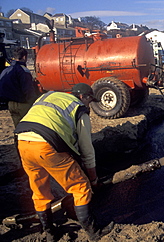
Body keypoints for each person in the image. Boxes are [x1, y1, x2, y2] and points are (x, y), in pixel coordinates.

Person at [14, 83, 113, 241]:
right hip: (46, 144)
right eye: (89, 100)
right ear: (82, 97)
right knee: (80, 188)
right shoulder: (79, 110)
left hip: (22, 140)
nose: (89, 104)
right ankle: (93, 232)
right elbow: (87, 150)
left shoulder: (50, 95)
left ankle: (49, 232)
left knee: (40, 192)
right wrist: (93, 179)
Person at [0, 47, 39, 127]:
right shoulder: (23, 70)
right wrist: (34, 102)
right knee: (28, 126)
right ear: (24, 57)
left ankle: (17, 139)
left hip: (10, 104)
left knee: (17, 127)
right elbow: (28, 89)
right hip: (22, 103)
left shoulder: (6, 70)